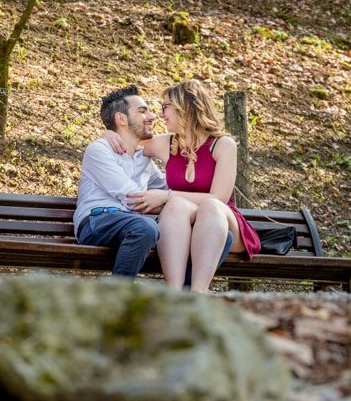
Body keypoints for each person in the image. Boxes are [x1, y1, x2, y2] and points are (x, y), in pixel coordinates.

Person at [109, 79, 260, 292]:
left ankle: (198, 292)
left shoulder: (223, 145)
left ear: (185, 107)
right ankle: (175, 295)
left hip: (222, 223)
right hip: (184, 222)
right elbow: (125, 138)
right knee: (176, 205)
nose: (161, 114)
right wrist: (109, 134)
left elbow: (220, 198)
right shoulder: (166, 143)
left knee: (210, 206)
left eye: (165, 107)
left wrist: (167, 195)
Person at [74, 85, 167, 278]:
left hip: (132, 225)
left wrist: (172, 195)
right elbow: (133, 198)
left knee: (202, 233)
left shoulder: (143, 157)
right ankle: (117, 294)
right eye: (142, 111)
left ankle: (186, 295)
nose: (151, 116)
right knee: (145, 228)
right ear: (121, 119)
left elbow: (170, 187)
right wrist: (170, 199)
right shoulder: (100, 150)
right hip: (98, 221)